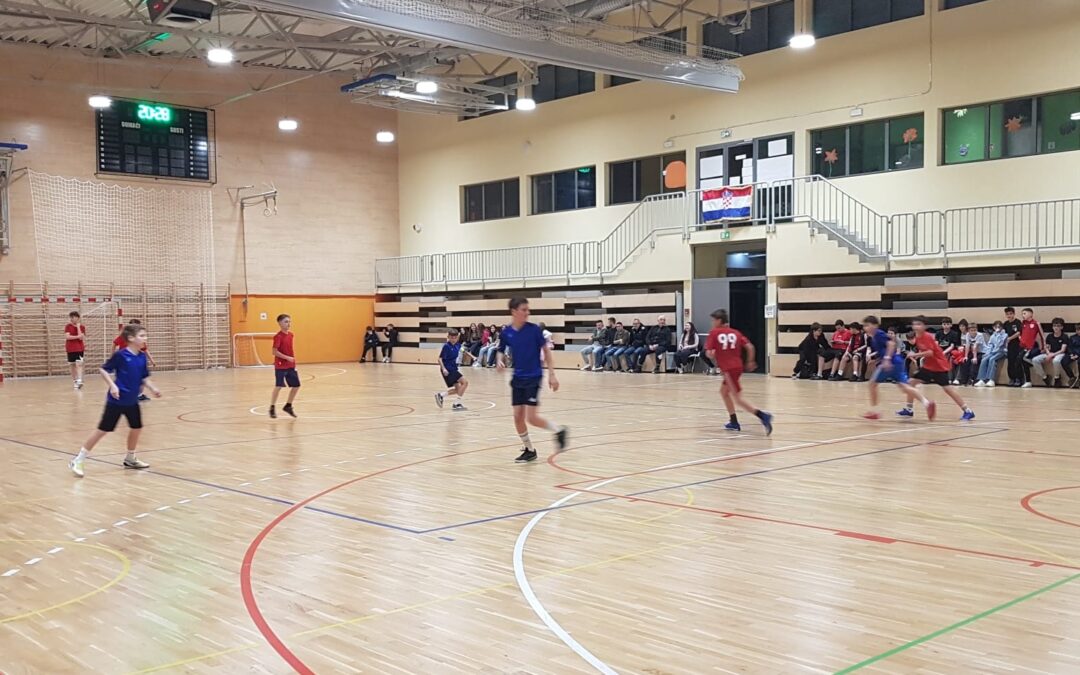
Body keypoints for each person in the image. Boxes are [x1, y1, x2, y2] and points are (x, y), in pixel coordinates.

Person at [69, 323, 162, 478]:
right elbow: (103, 369)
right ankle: (78, 459)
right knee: (102, 431)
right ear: (131, 338)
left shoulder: (141, 356)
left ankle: (130, 458)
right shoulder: (121, 355)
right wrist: (112, 386)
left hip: (132, 401)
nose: (145, 338)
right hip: (116, 401)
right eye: (142, 336)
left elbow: (144, 377)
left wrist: (153, 388)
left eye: (145, 335)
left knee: (136, 427)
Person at [496, 297, 568, 463]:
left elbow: (546, 351)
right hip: (517, 378)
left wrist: (552, 374)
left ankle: (558, 430)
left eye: (528, 309)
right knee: (517, 416)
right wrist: (499, 360)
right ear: (514, 311)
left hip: (533, 377)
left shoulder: (534, 330)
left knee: (532, 418)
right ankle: (529, 450)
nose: (527, 313)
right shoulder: (507, 332)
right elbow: (500, 349)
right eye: (524, 310)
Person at [704, 309, 772, 435]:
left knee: (738, 399)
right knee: (724, 392)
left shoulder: (714, 333)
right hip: (737, 367)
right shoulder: (735, 332)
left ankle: (763, 416)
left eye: (713, 320)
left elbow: (709, 354)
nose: (712, 323)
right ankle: (733, 421)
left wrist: (713, 353)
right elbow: (750, 347)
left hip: (728, 369)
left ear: (719, 320)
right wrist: (750, 361)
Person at [898, 316, 975, 421]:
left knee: (948, 389)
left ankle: (968, 411)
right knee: (911, 383)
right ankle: (909, 409)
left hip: (938, 366)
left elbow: (930, 353)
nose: (916, 326)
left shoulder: (927, 337)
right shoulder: (918, 337)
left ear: (924, 326)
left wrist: (915, 354)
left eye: (919, 324)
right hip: (928, 366)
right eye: (914, 324)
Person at [860, 315, 925, 420]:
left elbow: (891, 344)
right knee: (904, 387)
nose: (865, 328)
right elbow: (884, 349)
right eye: (864, 326)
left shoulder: (878, 334)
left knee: (872, 384)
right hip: (896, 362)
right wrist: (877, 360)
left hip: (891, 363)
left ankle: (874, 411)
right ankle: (927, 403)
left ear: (875, 325)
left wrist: (886, 359)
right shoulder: (874, 337)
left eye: (867, 325)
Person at [113, 319, 155, 401]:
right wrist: (113, 354)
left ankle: (137, 395)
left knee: (139, 378)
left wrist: (152, 360)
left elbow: (145, 350)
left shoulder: (140, 339)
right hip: (126, 361)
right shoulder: (123, 337)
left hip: (135, 361)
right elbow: (114, 343)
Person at [270, 314, 299, 419]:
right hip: (280, 366)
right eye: (286, 322)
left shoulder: (291, 335)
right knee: (279, 386)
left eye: (289, 321)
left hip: (290, 365)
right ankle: (272, 407)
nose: (288, 324)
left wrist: (292, 360)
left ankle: (288, 406)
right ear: (280, 323)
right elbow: (274, 352)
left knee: (296, 386)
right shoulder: (278, 337)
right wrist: (287, 358)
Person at [435, 328, 468, 410]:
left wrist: (473, 357)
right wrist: (444, 369)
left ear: (457, 338)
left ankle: (441, 395)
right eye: (451, 338)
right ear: (448, 337)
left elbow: (463, 351)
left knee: (458, 389)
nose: (453, 339)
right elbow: (440, 359)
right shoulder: (446, 346)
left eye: (455, 338)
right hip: (448, 369)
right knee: (465, 383)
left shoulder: (458, 345)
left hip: (453, 368)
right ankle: (457, 403)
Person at [1032, 318, 1069, 387]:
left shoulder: (1064, 336)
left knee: (1056, 361)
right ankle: (1045, 377)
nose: (1056, 328)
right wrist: (1048, 353)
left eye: (1058, 326)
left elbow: (1063, 350)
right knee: (1035, 360)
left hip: (1060, 354)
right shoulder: (1049, 336)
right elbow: (1047, 347)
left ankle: (1057, 378)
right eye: (1054, 326)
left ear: (1061, 327)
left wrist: (1052, 355)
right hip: (1050, 353)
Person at [1019, 308, 1046, 388]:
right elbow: (1021, 334)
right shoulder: (1023, 323)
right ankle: (1028, 381)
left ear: (1030, 314)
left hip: (1033, 347)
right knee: (1021, 361)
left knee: (1023, 358)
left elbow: (1042, 336)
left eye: (1024, 313)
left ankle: (1039, 376)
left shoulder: (1036, 323)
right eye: (1022, 314)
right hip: (1023, 347)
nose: (1023, 315)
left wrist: (1043, 348)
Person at [974, 321, 1007, 387]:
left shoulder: (1004, 335)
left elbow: (1000, 344)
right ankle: (982, 379)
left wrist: (999, 335)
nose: (997, 328)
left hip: (1001, 351)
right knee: (984, 359)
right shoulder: (992, 336)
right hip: (993, 352)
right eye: (995, 327)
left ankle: (991, 379)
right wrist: (987, 353)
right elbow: (990, 345)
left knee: (992, 359)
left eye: (999, 327)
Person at [957, 321, 986, 386]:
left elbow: (975, 346)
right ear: (968, 331)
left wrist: (975, 357)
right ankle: (964, 380)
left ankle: (973, 379)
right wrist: (966, 356)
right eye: (971, 331)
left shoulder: (980, 335)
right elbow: (967, 345)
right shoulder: (967, 335)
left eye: (975, 330)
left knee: (974, 362)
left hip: (982, 352)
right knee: (965, 361)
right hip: (973, 352)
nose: (973, 332)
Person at [65, 310, 86, 390]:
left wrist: (78, 327)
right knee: (72, 365)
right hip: (70, 349)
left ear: (77, 318)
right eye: (71, 317)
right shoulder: (68, 326)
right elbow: (67, 337)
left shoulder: (82, 327)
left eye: (73, 317)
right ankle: (75, 381)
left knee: (79, 364)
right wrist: (77, 336)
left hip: (79, 349)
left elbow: (81, 338)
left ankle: (79, 381)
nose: (71, 319)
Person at [1002, 307, 1024, 387]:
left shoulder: (1017, 322)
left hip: (1017, 345)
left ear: (1014, 314)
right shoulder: (1005, 324)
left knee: (1017, 362)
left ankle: (1019, 379)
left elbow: (1019, 333)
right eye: (1007, 314)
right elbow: (1004, 334)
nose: (1009, 316)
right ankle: (1012, 378)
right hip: (1009, 346)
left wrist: (1010, 338)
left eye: (1010, 314)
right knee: (1010, 362)